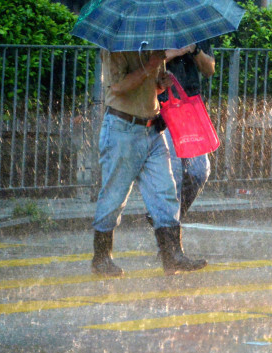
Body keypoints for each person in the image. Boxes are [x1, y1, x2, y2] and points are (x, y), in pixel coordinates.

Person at [92, 48, 208, 277]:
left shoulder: (152, 48)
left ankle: (172, 255)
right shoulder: (115, 50)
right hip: (123, 129)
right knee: (115, 196)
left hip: (153, 128)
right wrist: (151, 65)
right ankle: (102, 257)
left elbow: (152, 88)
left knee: (165, 192)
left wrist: (161, 83)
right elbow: (118, 88)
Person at [157, 39, 216, 219]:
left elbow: (209, 70)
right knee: (173, 173)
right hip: (163, 108)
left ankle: (173, 216)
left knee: (199, 170)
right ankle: (169, 227)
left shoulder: (195, 32)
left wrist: (195, 49)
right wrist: (174, 52)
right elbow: (144, 65)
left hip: (190, 108)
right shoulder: (156, 30)